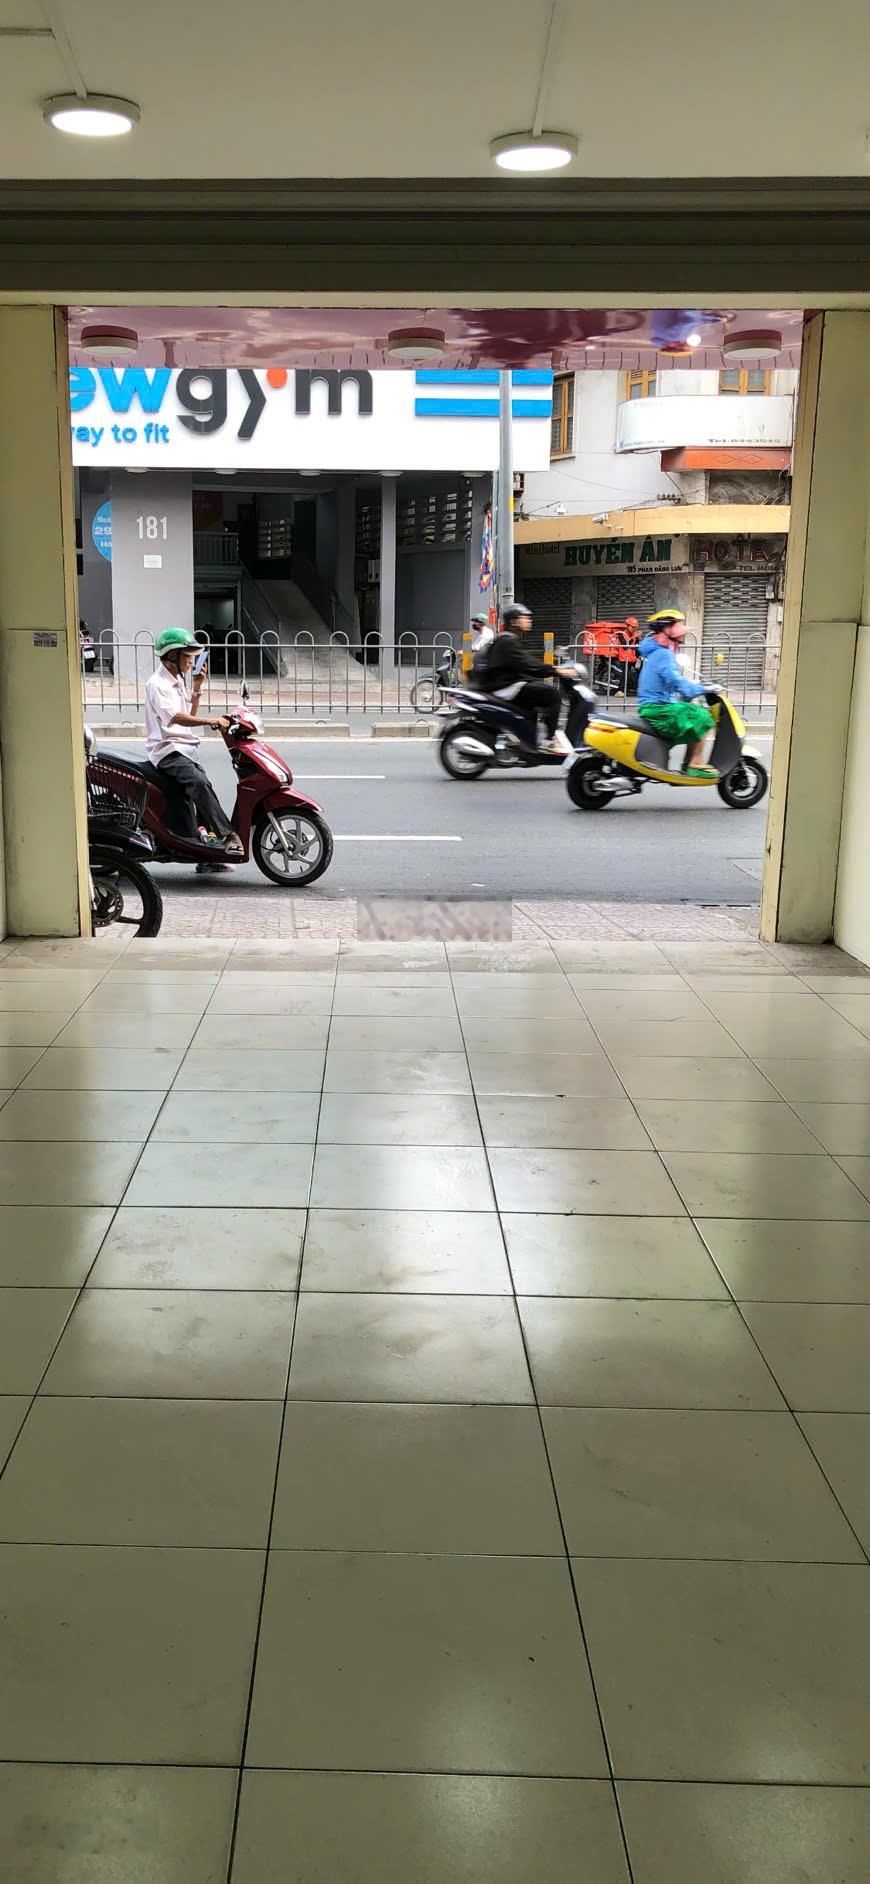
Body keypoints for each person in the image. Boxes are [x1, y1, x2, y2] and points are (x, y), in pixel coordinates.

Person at [144, 627, 243, 854]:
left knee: (201, 789)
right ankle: (228, 835)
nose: (191, 661)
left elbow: (188, 712)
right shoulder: (157, 684)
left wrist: (197, 687)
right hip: (167, 750)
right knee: (199, 783)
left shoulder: (176, 679)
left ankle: (208, 853)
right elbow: (175, 717)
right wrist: (210, 721)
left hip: (184, 748)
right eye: (187, 656)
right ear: (172, 655)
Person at [475, 602, 573, 754]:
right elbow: (526, 663)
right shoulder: (507, 641)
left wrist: (548, 671)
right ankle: (549, 741)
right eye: (525, 617)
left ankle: (529, 741)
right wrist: (554, 670)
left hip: (507, 684)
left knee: (536, 693)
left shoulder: (508, 639)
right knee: (552, 694)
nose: (529, 620)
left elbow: (523, 664)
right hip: (503, 687)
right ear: (514, 621)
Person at [636, 609, 717, 779]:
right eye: (678, 628)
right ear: (666, 629)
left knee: (692, 710)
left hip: (656, 706)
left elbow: (671, 682)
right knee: (703, 717)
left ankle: (688, 762)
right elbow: (678, 682)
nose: (682, 637)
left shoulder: (656, 651)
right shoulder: (663, 654)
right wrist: (704, 688)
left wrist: (694, 688)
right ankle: (695, 764)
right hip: (658, 710)